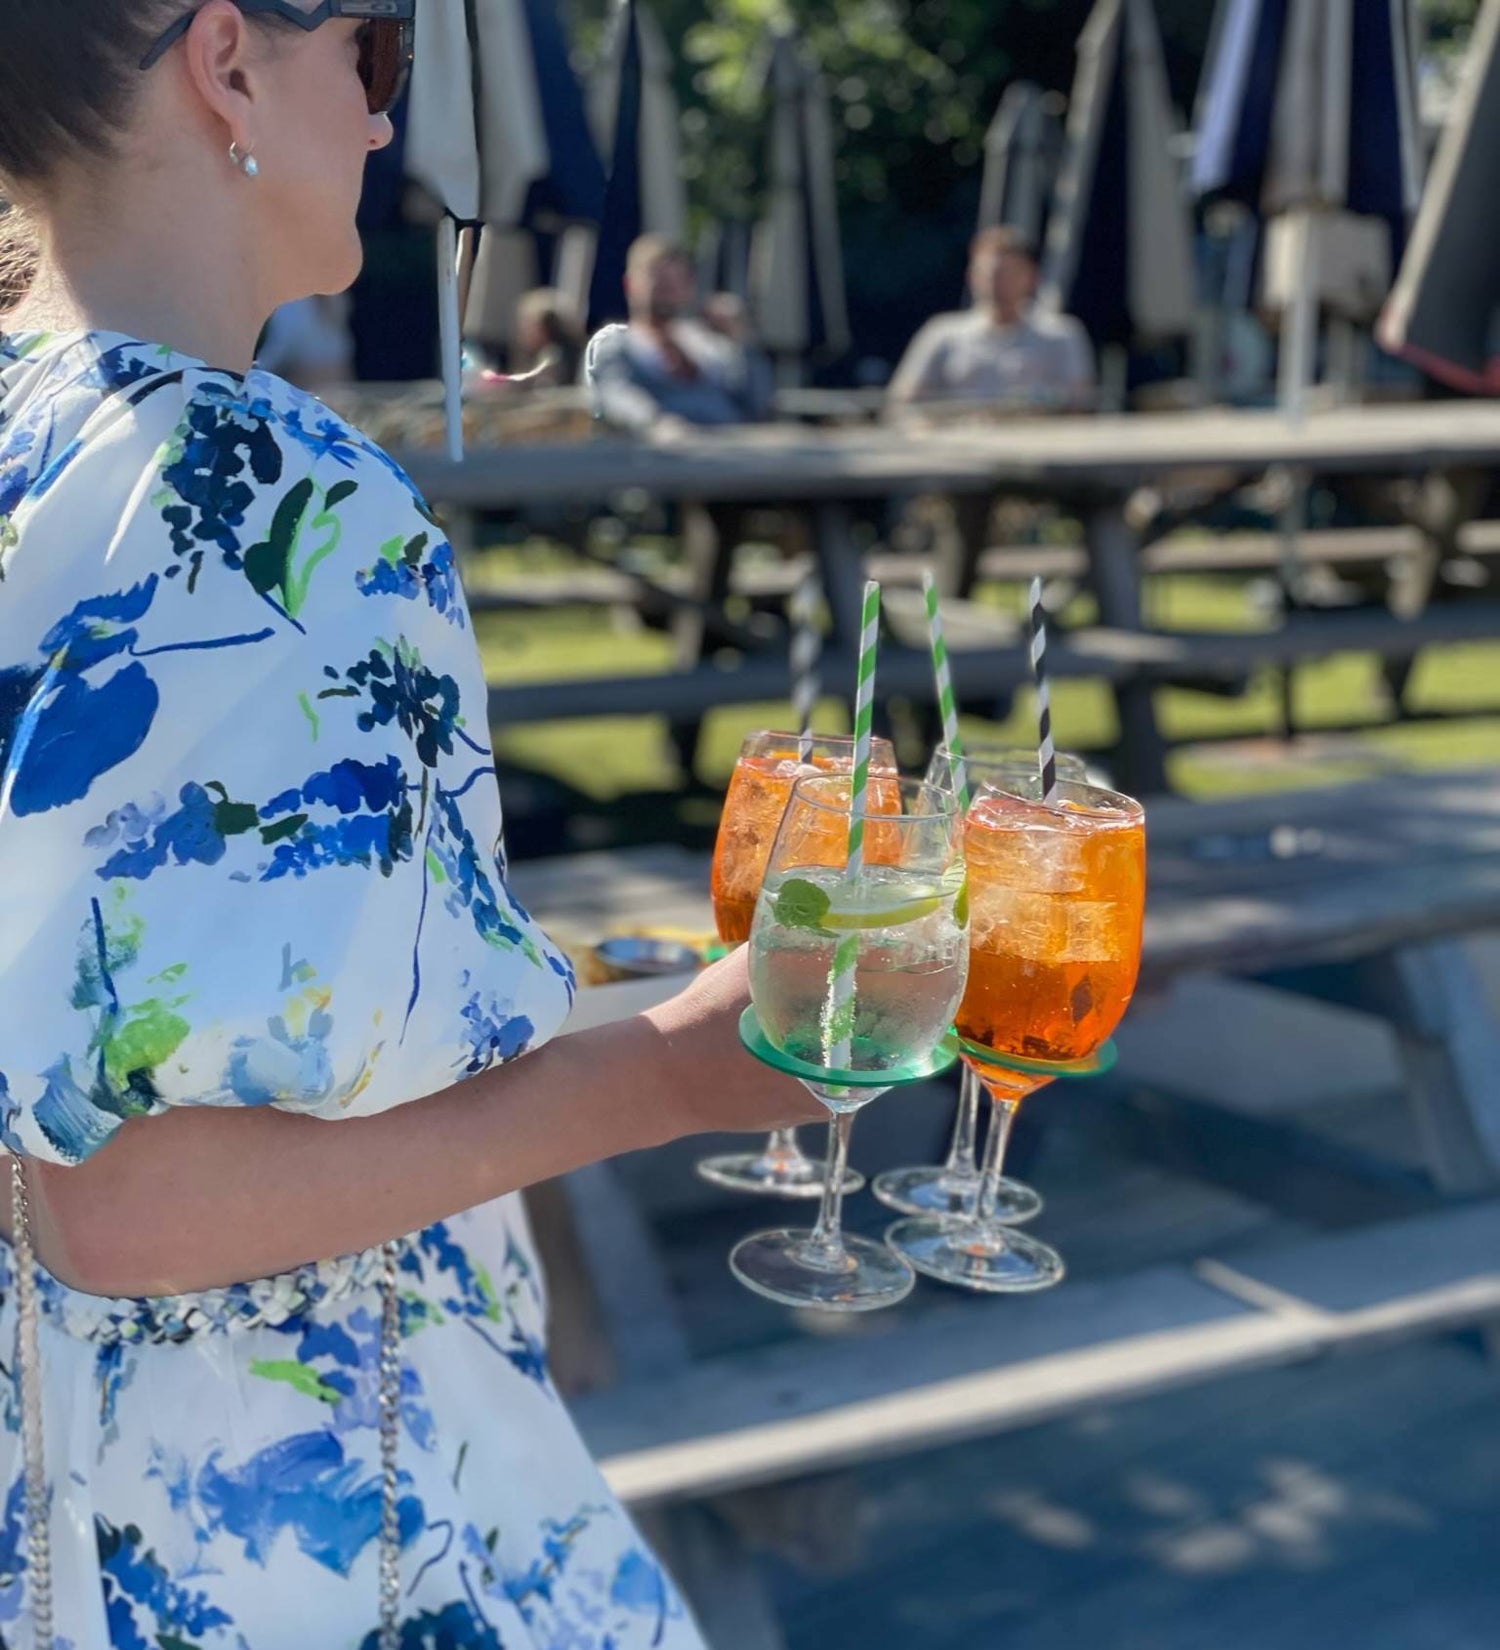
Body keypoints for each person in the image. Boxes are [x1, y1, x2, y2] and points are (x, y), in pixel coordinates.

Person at [0, 4, 810, 1646]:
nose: (385, 127)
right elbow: (127, 1202)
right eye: (370, 58)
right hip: (262, 1514)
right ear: (225, 61)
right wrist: (675, 1065)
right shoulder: (282, 505)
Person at [888, 226, 1097, 410]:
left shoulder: (1061, 334)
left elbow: (1078, 406)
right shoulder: (941, 334)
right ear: (971, 276)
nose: (997, 283)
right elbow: (903, 404)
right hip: (958, 448)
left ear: (1031, 277)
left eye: (1008, 274)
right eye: (989, 274)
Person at [585, 235, 773, 434]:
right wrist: (656, 425)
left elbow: (757, 402)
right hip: (660, 455)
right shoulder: (614, 343)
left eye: (677, 281)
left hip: (731, 450)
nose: (669, 289)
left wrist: (743, 340)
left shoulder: (709, 344)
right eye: (660, 281)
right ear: (630, 284)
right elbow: (615, 395)